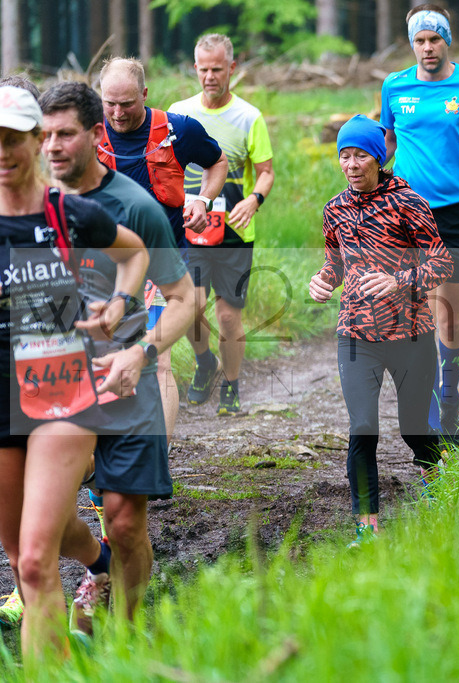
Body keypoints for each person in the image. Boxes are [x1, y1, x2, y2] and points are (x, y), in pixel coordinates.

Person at [0, 85, 148, 662]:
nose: (3, 151)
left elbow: (133, 254)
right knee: (21, 557)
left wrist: (118, 306)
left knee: (36, 562)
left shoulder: (68, 212)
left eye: (13, 139)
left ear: (37, 141)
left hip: (62, 390)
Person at [40, 81, 195, 631]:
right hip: (52, 385)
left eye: (66, 134)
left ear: (96, 134)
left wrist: (142, 350)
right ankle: (97, 569)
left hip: (126, 381)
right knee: (45, 519)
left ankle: (127, 637)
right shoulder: (27, 205)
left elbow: (182, 300)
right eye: (45, 135)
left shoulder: (134, 206)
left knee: (126, 523)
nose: (53, 146)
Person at [309, 116, 453, 547]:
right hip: (355, 334)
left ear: (379, 156)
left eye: (360, 155)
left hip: (410, 333)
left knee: (413, 427)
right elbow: (334, 265)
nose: (351, 164)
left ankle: (437, 476)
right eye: (344, 155)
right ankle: (366, 527)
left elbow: (442, 263)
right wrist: (321, 281)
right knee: (363, 428)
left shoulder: (409, 202)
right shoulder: (334, 209)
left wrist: (399, 279)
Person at [380, 4, 459, 448]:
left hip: (458, 212)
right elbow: (389, 141)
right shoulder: (394, 86)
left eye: (435, 39)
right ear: (411, 43)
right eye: (420, 40)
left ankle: (451, 410)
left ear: (447, 40)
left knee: (449, 315)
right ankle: (442, 411)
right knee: (424, 312)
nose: (427, 47)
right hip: (408, 212)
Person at [98, 57, 227, 437]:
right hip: (107, 262)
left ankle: (158, 457)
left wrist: (202, 199)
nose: (118, 114)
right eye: (110, 103)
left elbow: (216, 162)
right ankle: (107, 456)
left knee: (158, 358)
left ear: (145, 94)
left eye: (127, 103)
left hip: (165, 257)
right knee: (106, 353)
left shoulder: (178, 130)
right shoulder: (87, 132)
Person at [169, 34, 275, 417]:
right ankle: (204, 362)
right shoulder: (178, 113)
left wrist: (253, 200)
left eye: (218, 69)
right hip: (190, 225)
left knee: (229, 315)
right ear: (194, 68)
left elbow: (265, 172)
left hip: (233, 231)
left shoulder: (249, 116)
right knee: (188, 307)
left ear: (232, 69)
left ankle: (231, 384)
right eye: (203, 69)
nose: (210, 76)